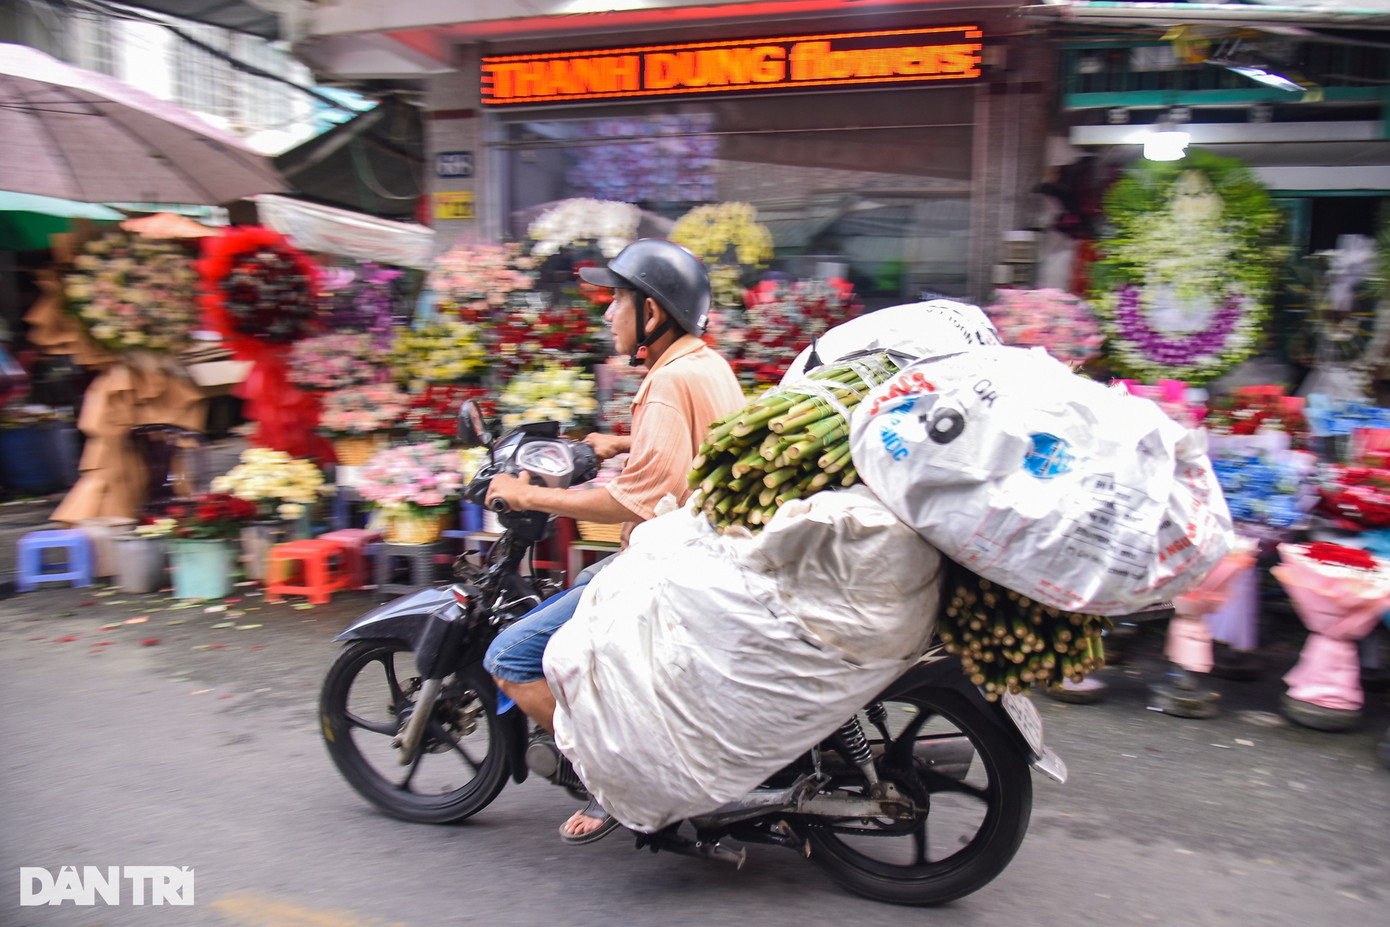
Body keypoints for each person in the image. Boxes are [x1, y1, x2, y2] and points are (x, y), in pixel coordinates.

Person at [483, 238, 744, 844]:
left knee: (510, 656)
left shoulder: (665, 383)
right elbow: (698, 448)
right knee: (582, 582)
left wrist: (528, 497)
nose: (606, 313)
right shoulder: (705, 364)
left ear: (651, 312)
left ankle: (616, 781)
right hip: (703, 560)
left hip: (668, 571)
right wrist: (620, 442)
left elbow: (635, 501)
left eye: (617, 300)